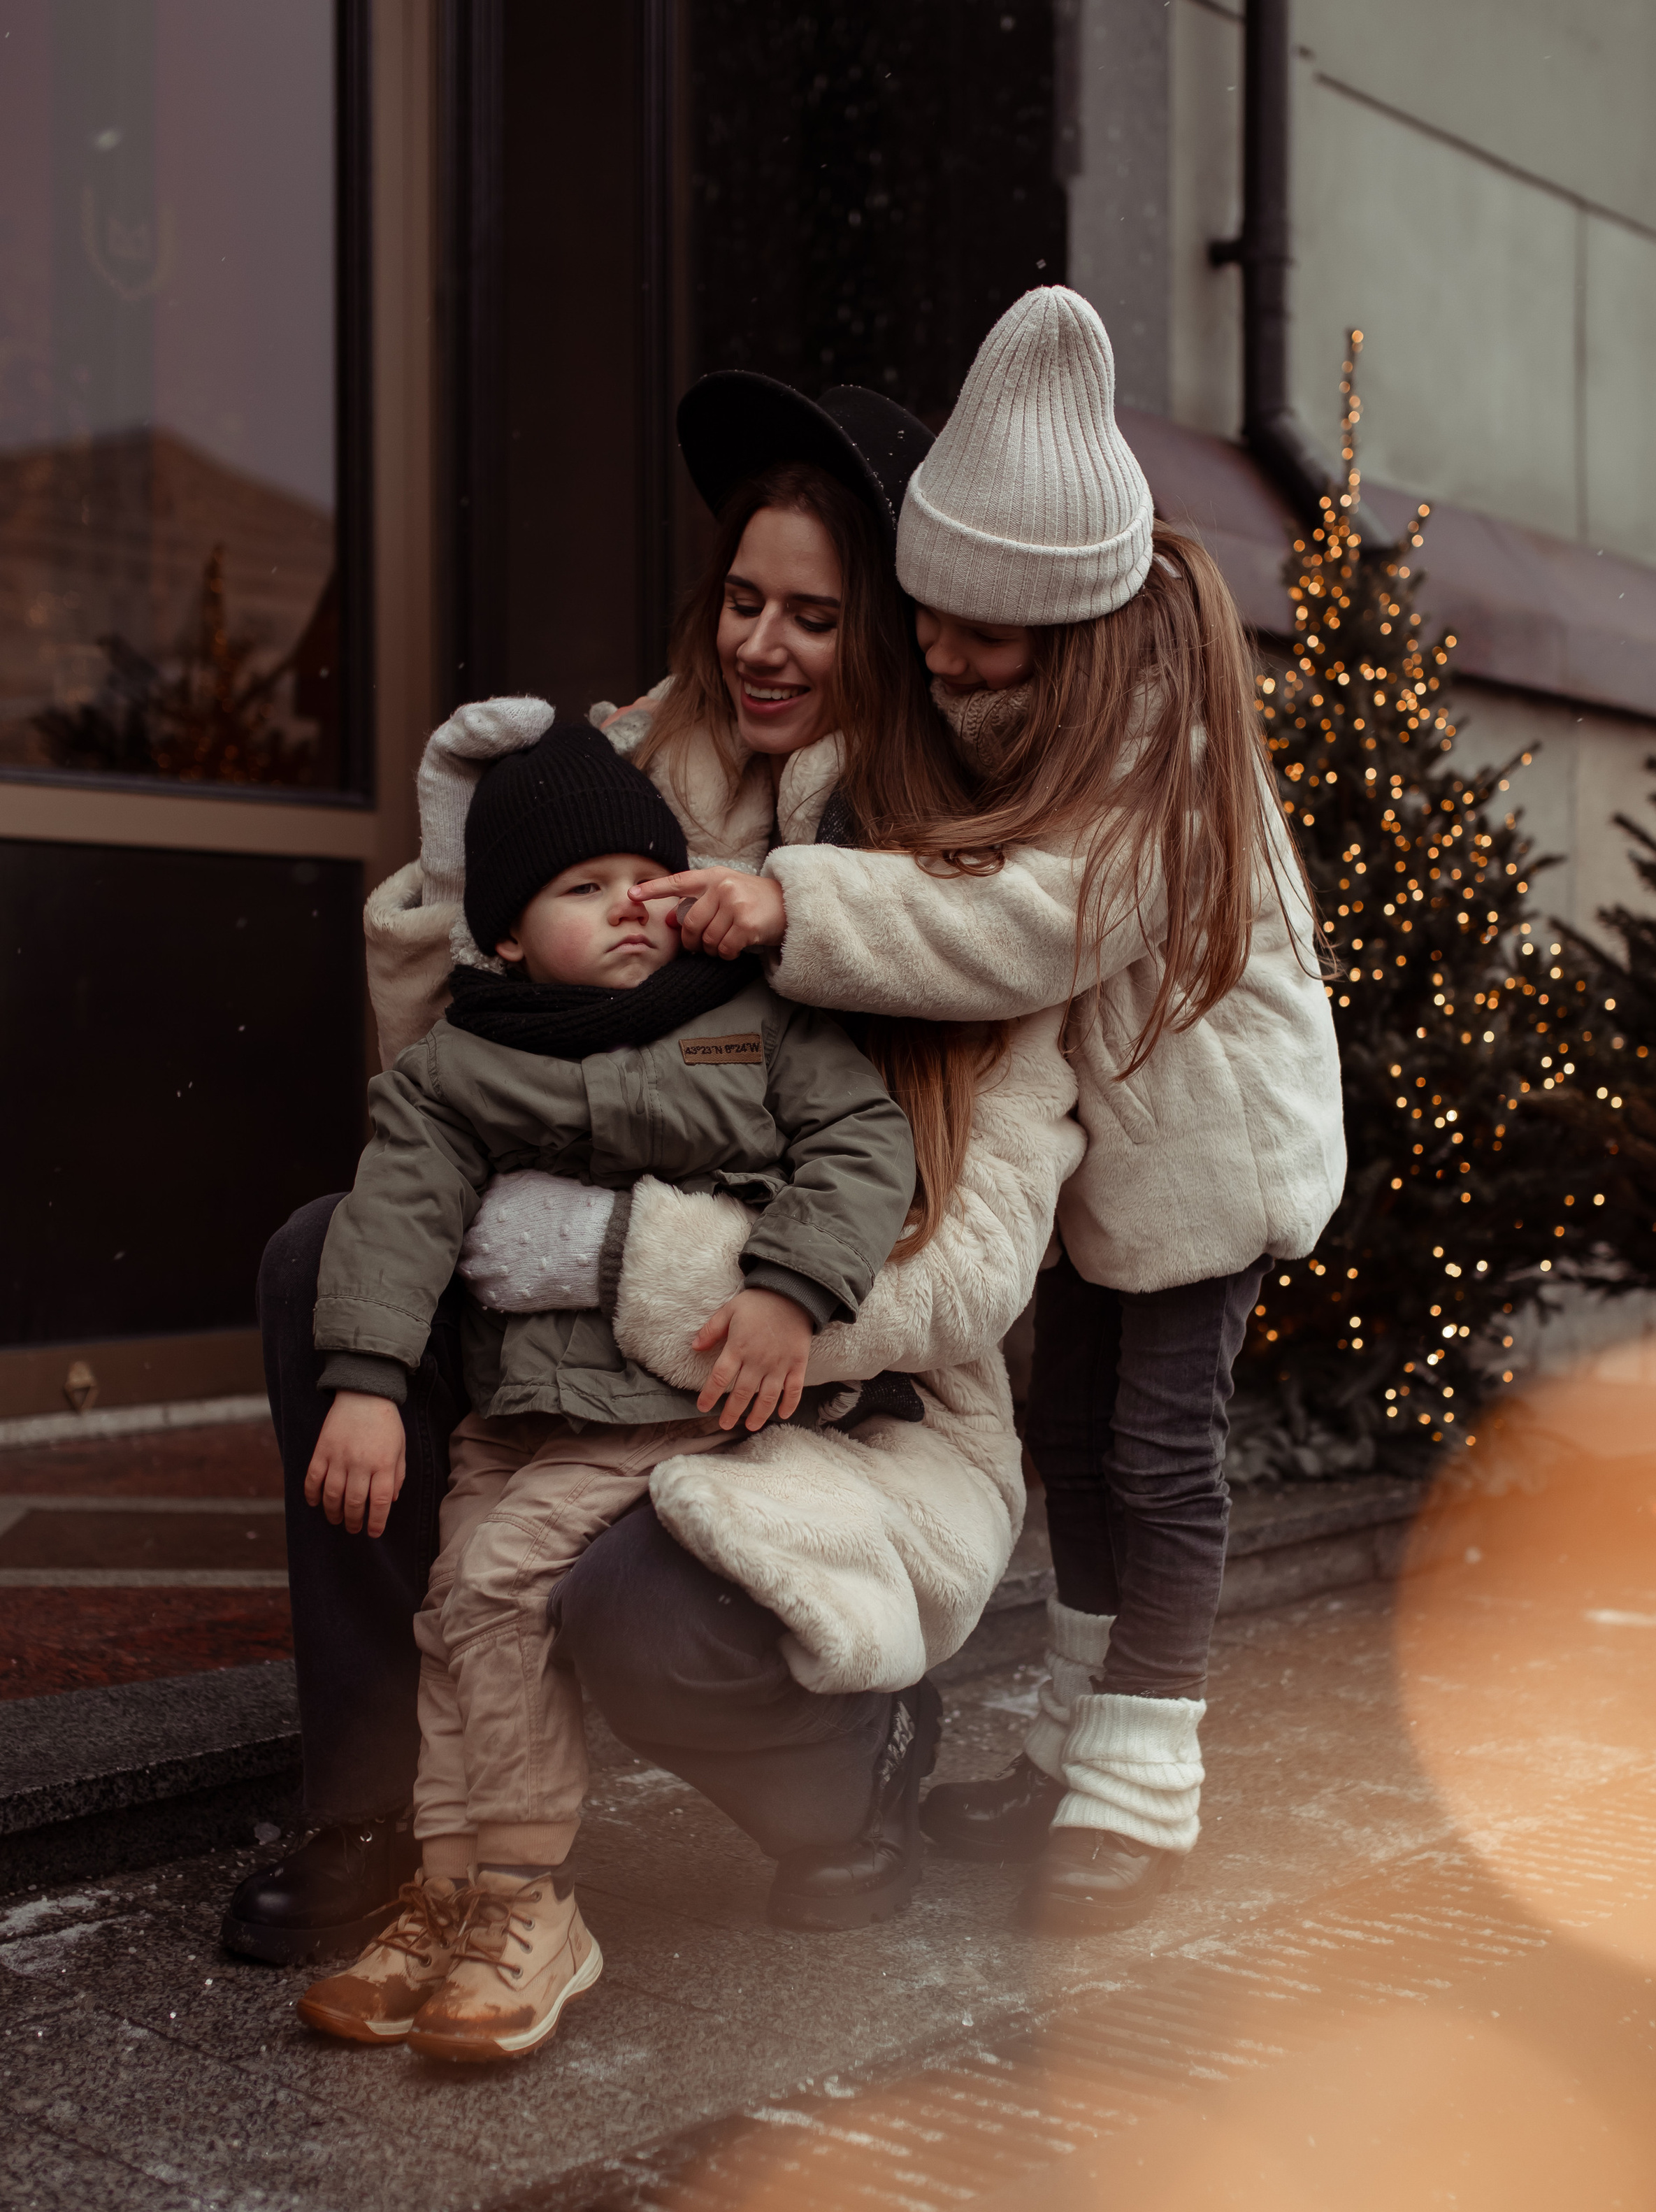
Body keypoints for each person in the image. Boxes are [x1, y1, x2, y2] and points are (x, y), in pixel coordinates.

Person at [226, 378, 1082, 1967]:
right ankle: (376, 1799)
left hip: (839, 1381)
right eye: (744, 600)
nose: (764, 644)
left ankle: (854, 1767)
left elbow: (971, 1265)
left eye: (816, 617)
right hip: (570, 1364)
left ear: (892, 639)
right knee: (323, 1258)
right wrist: (460, 868)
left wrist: (631, 1259)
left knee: (637, 1608)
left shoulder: (968, 884)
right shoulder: (628, 778)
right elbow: (441, 1100)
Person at [649, 288, 1346, 1937]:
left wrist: (795, 901)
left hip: (1208, 1154)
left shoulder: (1166, 746)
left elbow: (1031, 924)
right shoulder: (1035, 691)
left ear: (1070, 623)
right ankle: (1069, 1742)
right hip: (1112, 1152)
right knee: (1070, 1442)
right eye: (929, 621)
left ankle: (1141, 1777)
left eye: (980, 636)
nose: (942, 657)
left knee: (1157, 1456)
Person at [290, 716, 916, 2058]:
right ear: (508, 940)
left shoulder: (751, 1016)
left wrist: (789, 1285)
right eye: (582, 888)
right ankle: (449, 1892)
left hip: (668, 1401)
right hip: (521, 1416)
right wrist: (366, 1381)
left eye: (648, 875)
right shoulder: (462, 1062)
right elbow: (397, 1215)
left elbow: (866, 1143)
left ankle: (530, 1900)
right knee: (456, 1611)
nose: (631, 903)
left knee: (502, 1582)